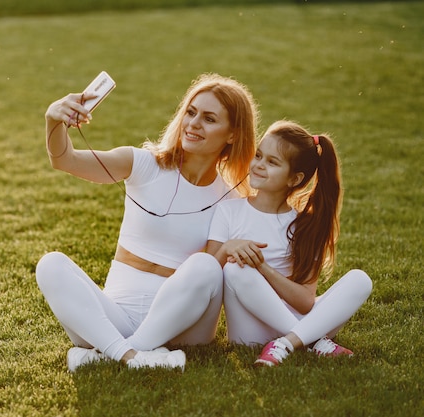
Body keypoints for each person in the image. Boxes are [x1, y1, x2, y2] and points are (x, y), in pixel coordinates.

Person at [36, 73, 258, 371]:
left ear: (232, 134)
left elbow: (209, 278)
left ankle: (111, 352)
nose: (193, 123)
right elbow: (65, 160)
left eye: (209, 119)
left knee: (206, 266)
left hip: (182, 327)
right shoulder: (143, 164)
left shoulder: (231, 200)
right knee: (50, 264)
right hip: (114, 316)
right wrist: (54, 119)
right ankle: (133, 356)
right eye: (190, 112)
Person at [206, 120, 373, 367]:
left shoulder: (304, 225)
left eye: (272, 162)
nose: (259, 165)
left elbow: (305, 301)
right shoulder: (228, 211)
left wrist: (263, 268)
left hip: (298, 319)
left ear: (294, 179)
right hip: (249, 332)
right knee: (235, 268)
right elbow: (207, 271)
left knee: (360, 280)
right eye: (259, 156)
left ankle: (287, 343)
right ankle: (312, 342)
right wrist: (228, 248)